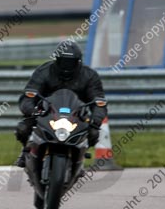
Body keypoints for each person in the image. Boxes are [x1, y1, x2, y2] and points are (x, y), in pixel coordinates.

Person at [15, 40, 107, 168]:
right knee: (23, 128)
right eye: (63, 62)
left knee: (93, 133)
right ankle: (26, 150)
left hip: (77, 115)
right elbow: (28, 96)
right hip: (46, 113)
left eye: (70, 62)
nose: (66, 66)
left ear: (78, 62)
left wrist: (95, 119)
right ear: (56, 60)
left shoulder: (89, 76)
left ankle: (78, 159)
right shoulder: (44, 71)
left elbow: (99, 102)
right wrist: (32, 110)